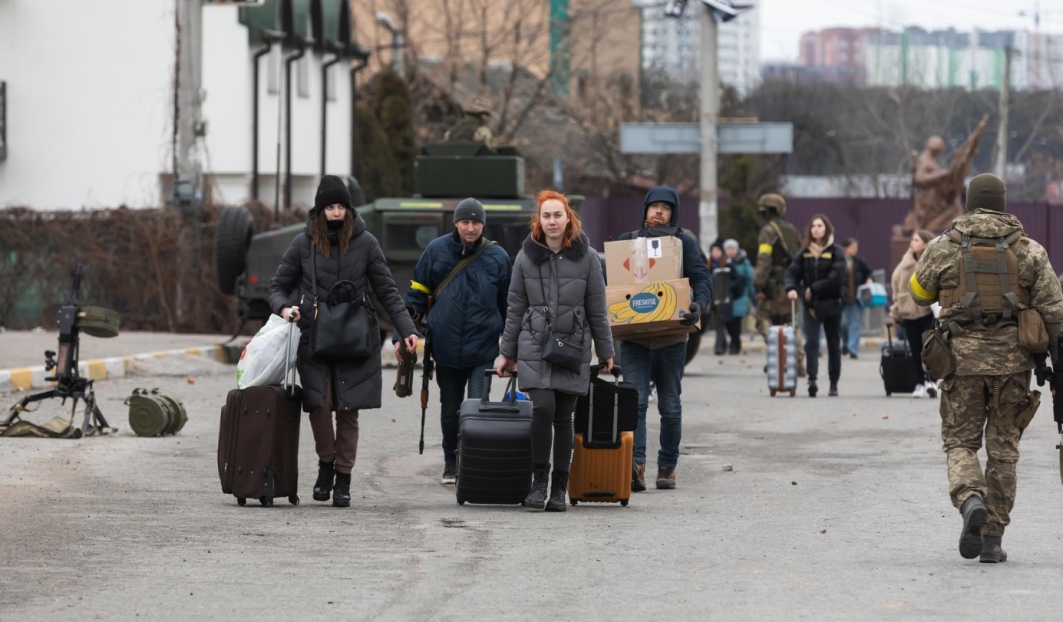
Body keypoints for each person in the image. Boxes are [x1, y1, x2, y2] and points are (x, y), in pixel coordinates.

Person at [909, 173, 1063, 563]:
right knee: (1004, 451)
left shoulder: (943, 246)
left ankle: (970, 499)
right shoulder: (1030, 250)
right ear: (1003, 202)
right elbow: (1055, 314)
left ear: (968, 201)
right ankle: (993, 540)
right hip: (1013, 364)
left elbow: (919, 292)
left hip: (960, 362)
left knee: (960, 443)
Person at [269, 175, 419, 508]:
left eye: (340, 207)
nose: (336, 213)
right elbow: (278, 286)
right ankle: (326, 465)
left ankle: (344, 479)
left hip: (356, 337)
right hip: (314, 336)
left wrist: (406, 328)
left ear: (348, 209)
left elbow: (387, 291)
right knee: (318, 406)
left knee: (349, 410)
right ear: (320, 211)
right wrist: (284, 308)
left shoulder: (366, 243)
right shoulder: (303, 243)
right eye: (330, 207)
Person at [496, 191, 614, 512]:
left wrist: (606, 351)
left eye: (557, 215)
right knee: (543, 407)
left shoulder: (588, 258)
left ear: (568, 219)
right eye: (546, 216)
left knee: (564, 416)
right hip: (533, 343)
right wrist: (507, 352)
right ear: (539, 220)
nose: (552, 221)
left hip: (573, 344)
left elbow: (597, 309)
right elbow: (515, 307)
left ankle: (559, 489)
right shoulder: (524, 258)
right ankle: (538, 483)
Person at [393, 198, 511, 484]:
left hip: (482, 348)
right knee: (450, 410)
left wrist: (512, 347)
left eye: (475, 222)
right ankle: (450, 461)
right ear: (455, 223)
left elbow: (509, 306)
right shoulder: (436, 251)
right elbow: (416, 297)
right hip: (444, 349)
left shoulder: (498, 257)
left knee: (475, 407)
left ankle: (471, 463)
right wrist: (401, 334)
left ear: (483, 224)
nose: (470, 228)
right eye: (465, 222)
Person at [617, 187, 712, 492]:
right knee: (637, 403)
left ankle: (667, 466)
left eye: (665, 208)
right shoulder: (626, 242)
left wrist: (700, 305)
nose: (658, 212)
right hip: (634, 338)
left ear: (674, 213)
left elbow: (702, 278)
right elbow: (609, 286)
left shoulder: (683, 242)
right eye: (654, 206)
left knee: (669, 406)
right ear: (645, 210)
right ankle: (636, 465)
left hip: (671, 339)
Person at [785, 214, 847, 398]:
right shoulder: (805, 253)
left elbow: (837, 277)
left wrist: (813, 287)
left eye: (820, 226)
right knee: (811, 344)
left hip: (832, 304)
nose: (816, 229)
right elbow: (791, 273)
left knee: (834, 345)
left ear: (826, 228)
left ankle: (833, 383)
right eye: (813, 226)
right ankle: (812, 380)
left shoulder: (836, 251)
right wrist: (791, 288)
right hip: (811, 306)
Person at [752, 193, 805, 374]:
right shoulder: (791, 229)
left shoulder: (768, 231)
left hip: (775, 286)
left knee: (761, 319)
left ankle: (778, 351)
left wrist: (758, 282)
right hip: (792, 284)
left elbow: (764, 259)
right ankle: (798, 362)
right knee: (791, 321)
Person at [889, 229, 938, 398]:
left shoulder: (933, 261)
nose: (912, 243)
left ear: (925, 243)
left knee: (931, 349)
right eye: (913, 239)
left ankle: (932, 380)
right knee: (915, 350)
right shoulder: (904, 265)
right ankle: (919, 383)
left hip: (928, 312)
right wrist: (896, 315)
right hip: (909, 315)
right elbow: (896, 291)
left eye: (916, 240)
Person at [710, 240, 749, 355]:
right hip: (714, 299)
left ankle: (733, 345)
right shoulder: (709, 264)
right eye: (714, 251)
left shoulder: (730, 264)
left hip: (728, 299)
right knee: (719, 323)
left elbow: (740, 281)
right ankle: (720, 346)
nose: (716, 253)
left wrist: (727, 286)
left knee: (731, 324)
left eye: (718, 251)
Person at [840, 238, 873, 359]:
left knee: (856, 324)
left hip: (857, 299)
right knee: (842, 324)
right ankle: (846, 343)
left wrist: (869, 279)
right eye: (853, 247)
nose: (856, 250)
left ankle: (853, 349)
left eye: (856, 247)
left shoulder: (859, 262)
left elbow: (868, 272)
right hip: (842, 299)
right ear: (846, 248)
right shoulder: (839, 261)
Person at [723, 239, 755, 354]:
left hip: (741, 296)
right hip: (728, 296)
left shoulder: (744, 262)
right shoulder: (724, 262)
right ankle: (734, 341)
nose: (730, 251)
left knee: (736, 321)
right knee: (728, 321)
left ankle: (735, 344)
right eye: (728, 249)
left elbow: (749, 279)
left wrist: (753, 296)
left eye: (732, 249)